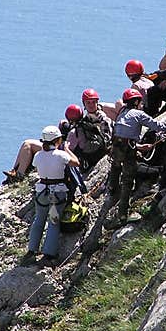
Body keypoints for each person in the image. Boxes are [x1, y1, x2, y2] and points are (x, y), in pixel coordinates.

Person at [106, 88, 166, 228]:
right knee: (128, 181)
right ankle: (123, 215)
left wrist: (139, 147)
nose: (142, 104)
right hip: (128, 149)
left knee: (116, 166)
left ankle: (112, 187)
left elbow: (123, 133)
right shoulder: (138, 114)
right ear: (136, 101)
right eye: (140, 101)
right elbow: (156, 125)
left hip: (117, 146)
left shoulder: (121, 114)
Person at [25, 125, 81, 265]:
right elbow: (76, 163)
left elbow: (37, 165)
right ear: (57, 140)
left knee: (39, 219)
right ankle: (49, 254)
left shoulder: (38, 155)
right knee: (53, 222)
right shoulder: (61, 155)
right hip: (57, 192)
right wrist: (67, 149)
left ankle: (32, 250)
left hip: (41, 191)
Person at [65, 98, 112, 174]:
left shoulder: (74, 133)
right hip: (100, 154)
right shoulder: (91, 124)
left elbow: (67, 151)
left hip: (87, 164)